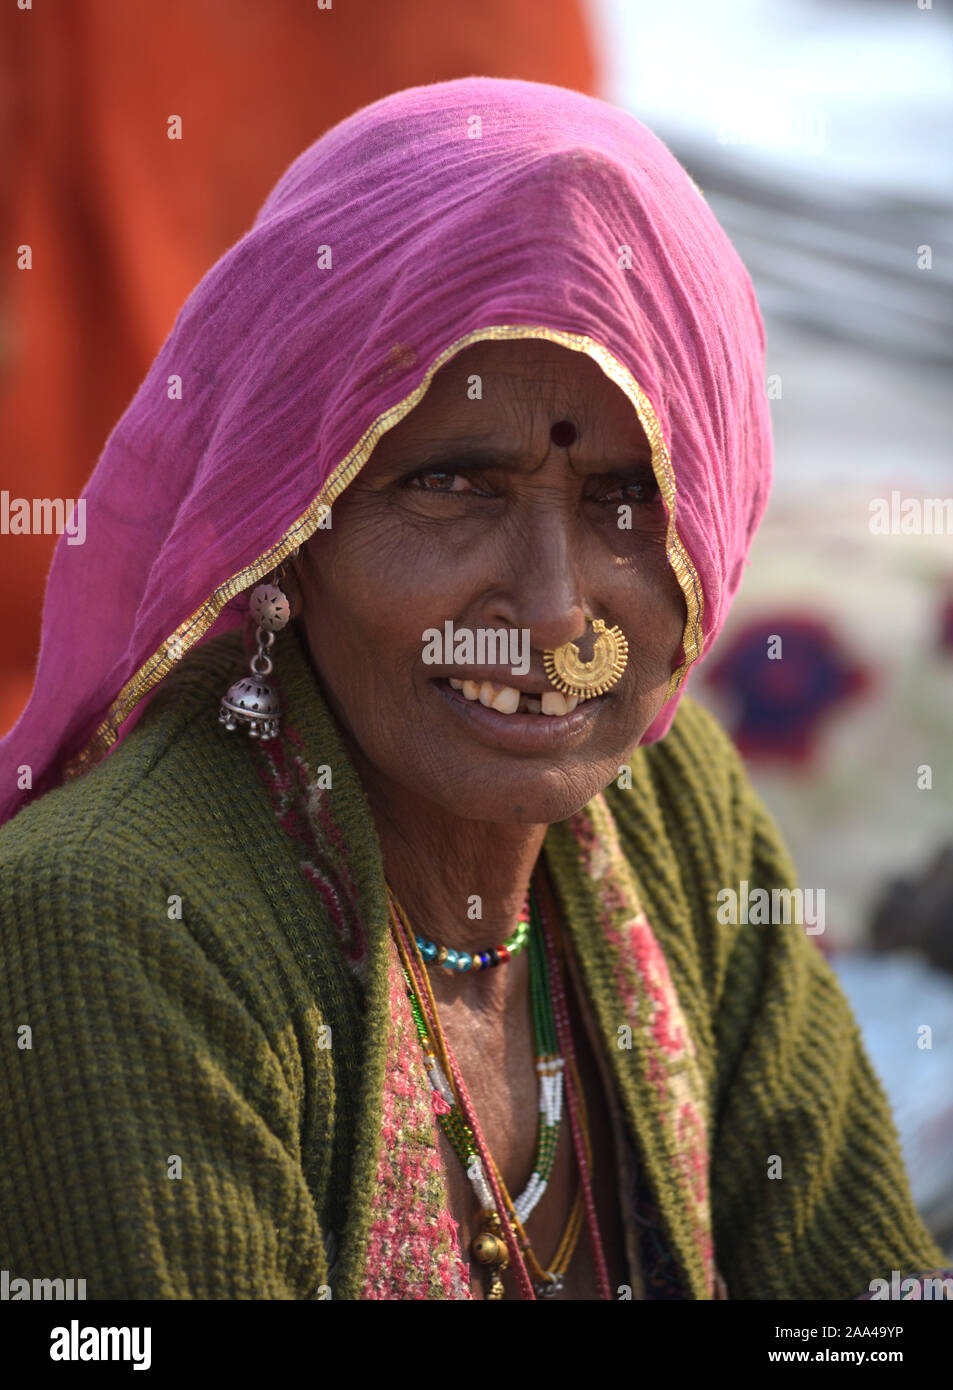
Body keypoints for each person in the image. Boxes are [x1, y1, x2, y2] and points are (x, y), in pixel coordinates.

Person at [0, 77, 948, 1301]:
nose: (552, 610)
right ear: (292, 523)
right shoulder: (113, 925)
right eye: (453, 486)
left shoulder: (668, 802)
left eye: (629, 496)